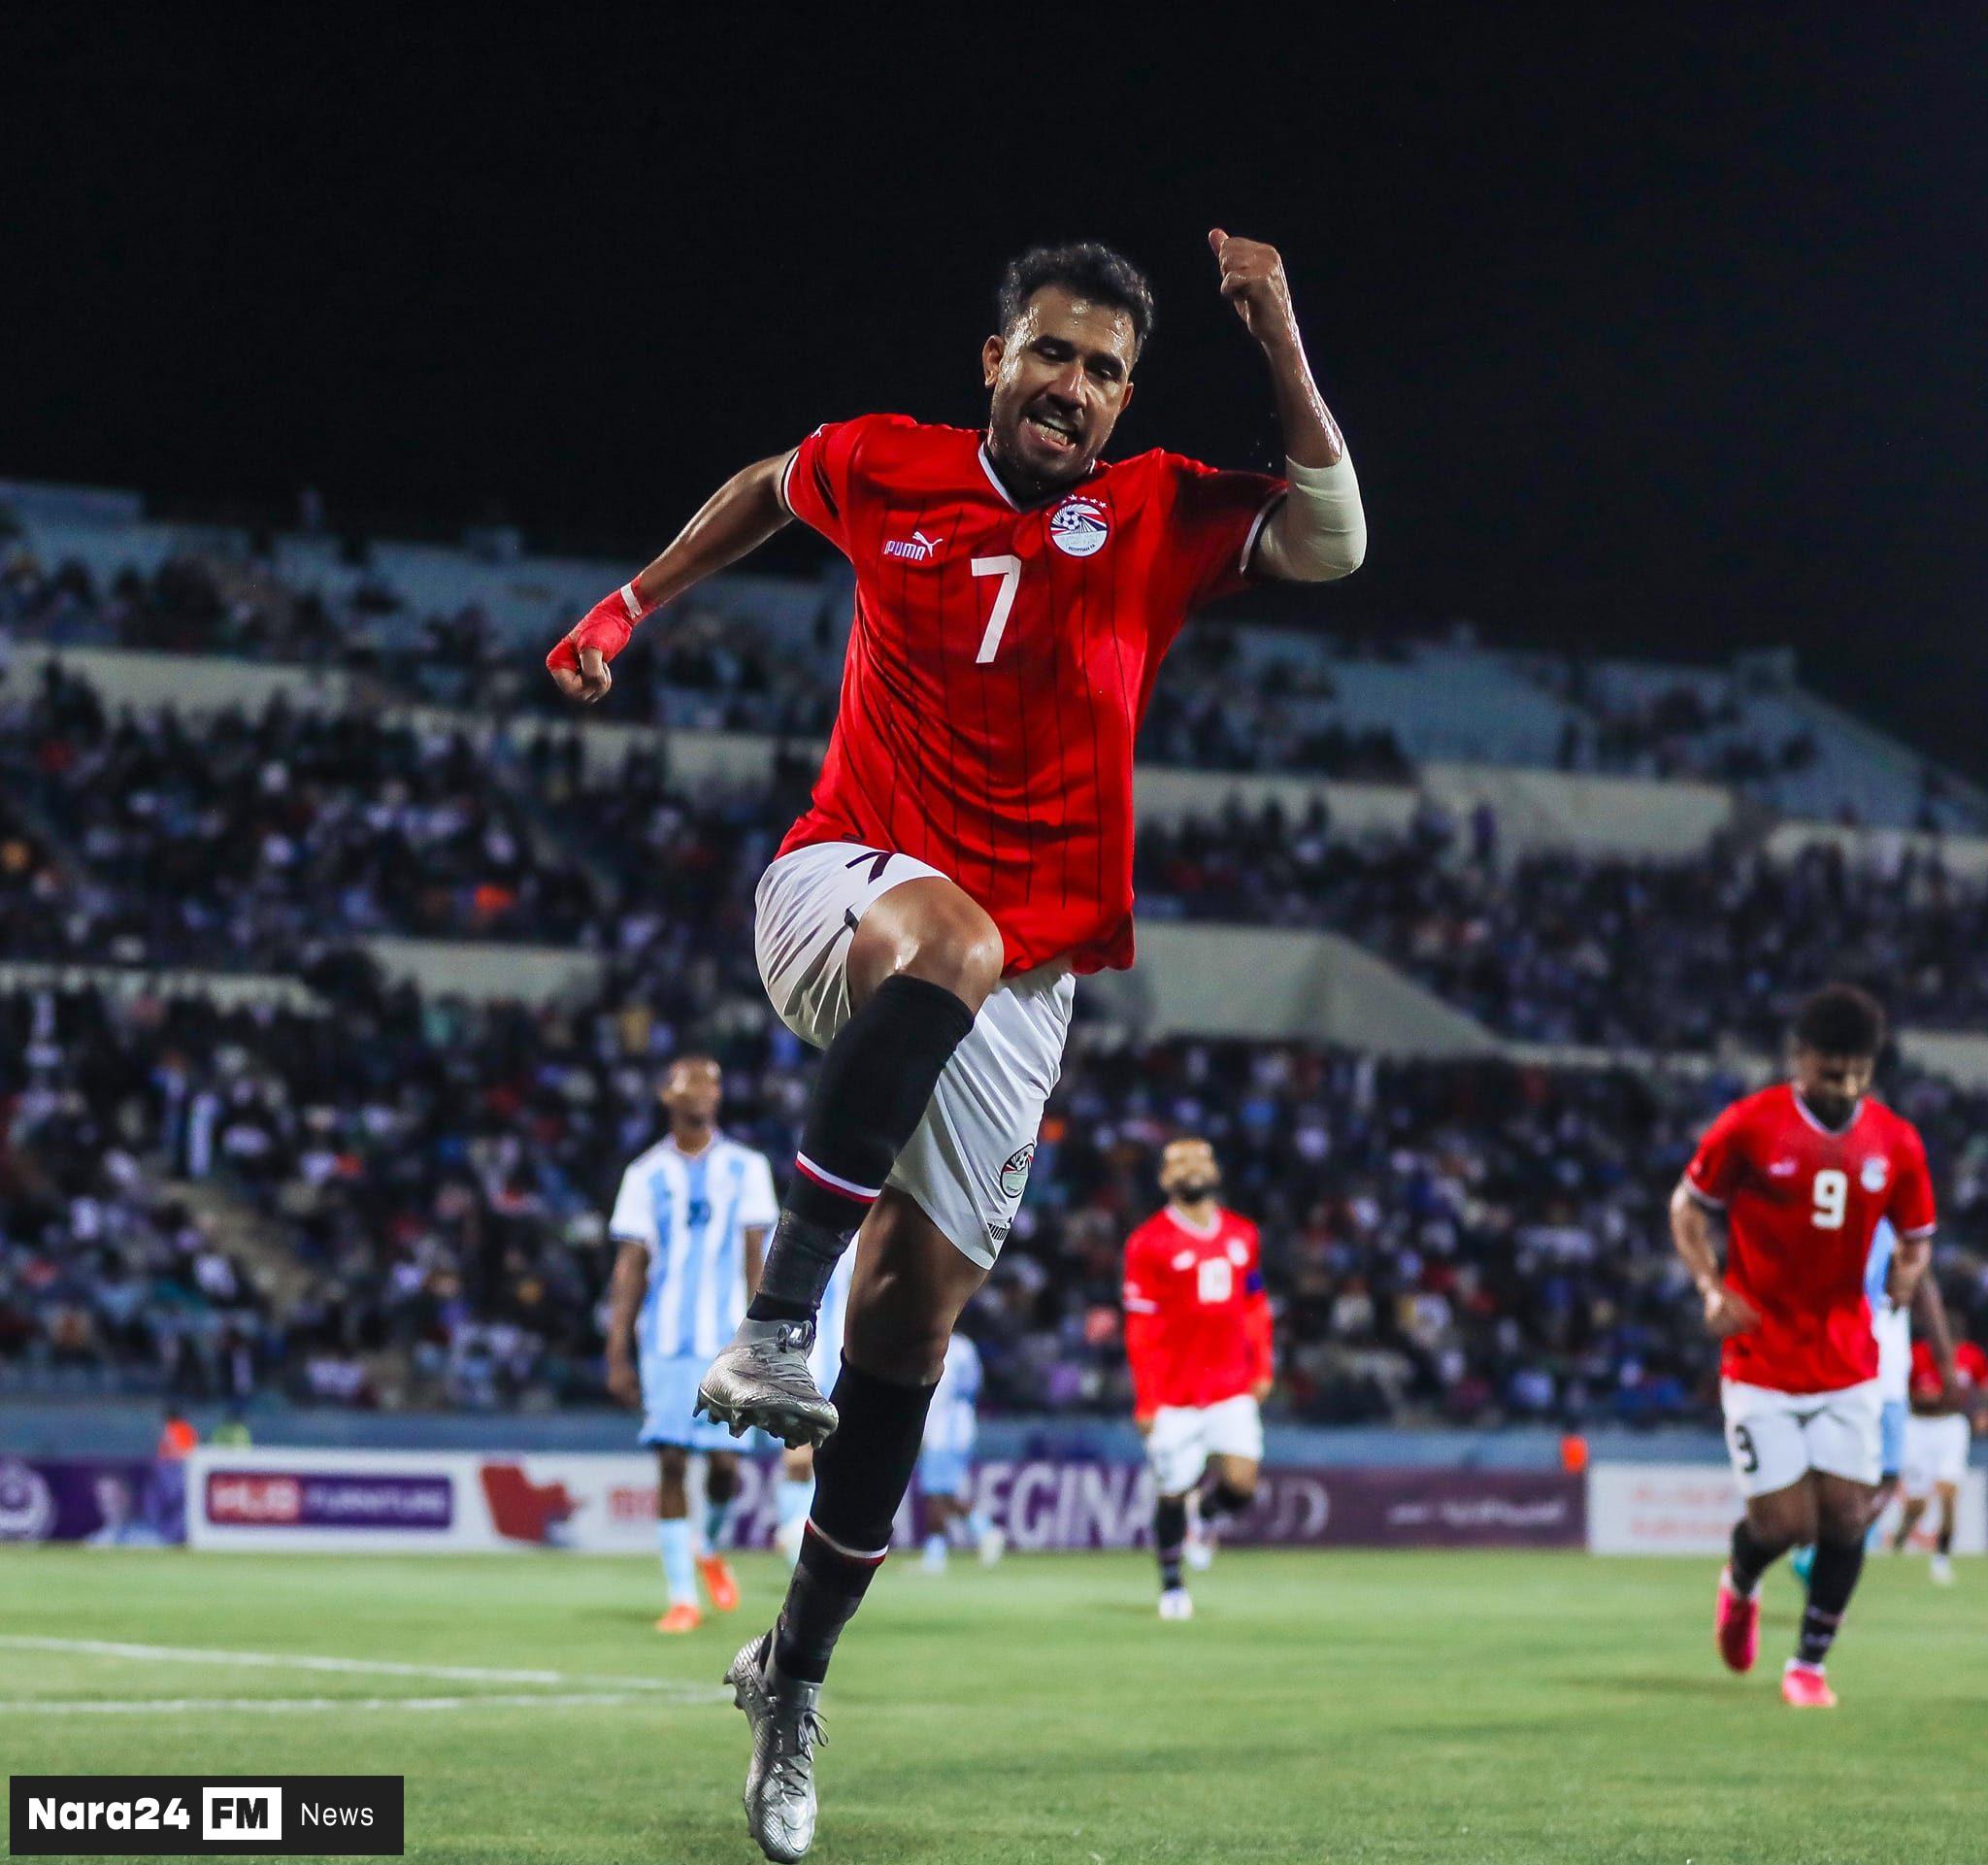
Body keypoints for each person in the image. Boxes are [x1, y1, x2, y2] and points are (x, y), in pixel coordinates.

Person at [549, 231, 1364, 1859]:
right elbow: (772, 483)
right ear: (990, 360)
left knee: (912, 1325)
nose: (1073, 386)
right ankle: (768, 1326)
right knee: (944, 933)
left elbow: (1335, 541)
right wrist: (632, 603)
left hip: (1022, 984)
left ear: (1126, 400)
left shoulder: (1147, 514)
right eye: (1049, 353)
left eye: (1105, 370)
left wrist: (1275, 336)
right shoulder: (889, 467)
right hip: (839, 887)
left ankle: (791, 1677)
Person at [1670, 984, 1936, 1708]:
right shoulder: (1751, 1126)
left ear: (1870, 1069)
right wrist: (1710, 1286)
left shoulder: (1897, 1142)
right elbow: (1686, 1208)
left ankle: (1809, 1664)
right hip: (1760, 1353)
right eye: (1828, 1072)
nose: (1841, 1088)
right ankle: (1741, 1577)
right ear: (1799, 1060)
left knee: (1849, 1515)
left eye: (1855, 1074)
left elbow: (1917, 1239)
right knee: (1785, 1524)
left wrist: (1908, 1277)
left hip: (1849, 1355)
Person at [604, 1056, 779, 1633]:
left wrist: (765, 1341)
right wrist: (616, 1351)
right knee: (671, 1461)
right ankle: (682, 1597)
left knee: (725, 1467)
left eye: (713, 1082)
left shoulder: (747, 1168)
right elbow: (630, 1268)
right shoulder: (645, 1175)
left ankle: (708, 1545)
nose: (704, 1091)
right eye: (690, 1081)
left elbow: (758, 1260)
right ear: (665, 1094)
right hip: (667, 1340)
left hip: (726, 1341)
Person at [1121, 1138, 1274, 1621]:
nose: (1190, 1168)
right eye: (1177, 1162)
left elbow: (1254, 1303)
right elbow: (1140, 1327)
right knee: (1172, 1489)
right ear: (1165, 1179)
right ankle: (1171, 1585)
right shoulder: (1148, 1243)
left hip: (1230, 1384)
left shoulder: (1243, 1235)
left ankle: (1204, 1517)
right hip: (1175, 1393)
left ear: (1214, 1169)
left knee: (1243, 1483)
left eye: (1199, 1158)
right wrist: (1146, 1398)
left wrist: (1263, 1365)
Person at [773, 1248, 856, 1568]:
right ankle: (795, 1533)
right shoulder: (782, 1236)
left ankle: (798, 1530)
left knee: (832, 1456)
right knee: (798, 1454)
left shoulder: (858, 1238)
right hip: (799, 1361)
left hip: (841, 1361)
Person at [1892, 1333, 1986, 1582]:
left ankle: (1942, 1558)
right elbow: (1901, 1386)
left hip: (1951, 1425)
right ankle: (1897, 1546)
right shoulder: (1916, 1352)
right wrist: (1921, 1396)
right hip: (1919, 1426)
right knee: (1917, 1504)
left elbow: (1983, 1385)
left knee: (1948, 1492)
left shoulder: (1971, 1354)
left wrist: (1981, 1412)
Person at [915, 1331, 1003, 1574]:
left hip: (946, 1431)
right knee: (943, 1493)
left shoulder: (945, 1345)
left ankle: (936, 1555)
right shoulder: (965, 1346)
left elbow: (948, 1392)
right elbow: (974, 1385)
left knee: (934, 1494)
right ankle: (984, 1531)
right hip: (955, 1429)